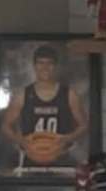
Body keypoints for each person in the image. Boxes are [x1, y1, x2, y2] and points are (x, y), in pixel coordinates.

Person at [5, 42, 85, 171]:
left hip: (61, 158)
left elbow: (84, 125)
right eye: (41, 63)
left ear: (55, 66)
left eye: (49, 63)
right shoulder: (23, 95)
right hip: (30, 158)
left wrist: (66, 139)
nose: (45, 67)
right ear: (34, 66)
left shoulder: (69, 94)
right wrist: (21, 141)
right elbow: (6, 126)